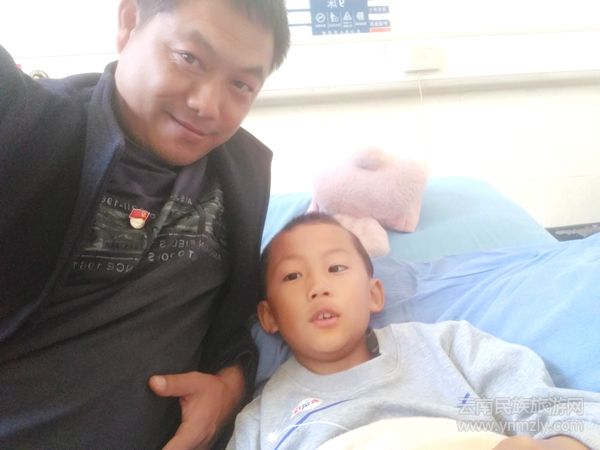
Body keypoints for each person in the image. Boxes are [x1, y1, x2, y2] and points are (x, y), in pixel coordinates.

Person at [0, 0, 289, 448]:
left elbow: (235, 327)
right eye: (189, 58)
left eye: (241, 84)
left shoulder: (243, 174)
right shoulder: (30, 124)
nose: (207, 105)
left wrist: (229, 389)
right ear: (129, 22)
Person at [226, 213, 600, 450]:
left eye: (336, 268)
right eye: (293, 276)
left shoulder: (447, 350)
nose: (317, 287)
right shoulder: (263, 417)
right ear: (269, 315)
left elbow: (562, 412)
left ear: (374, 294)